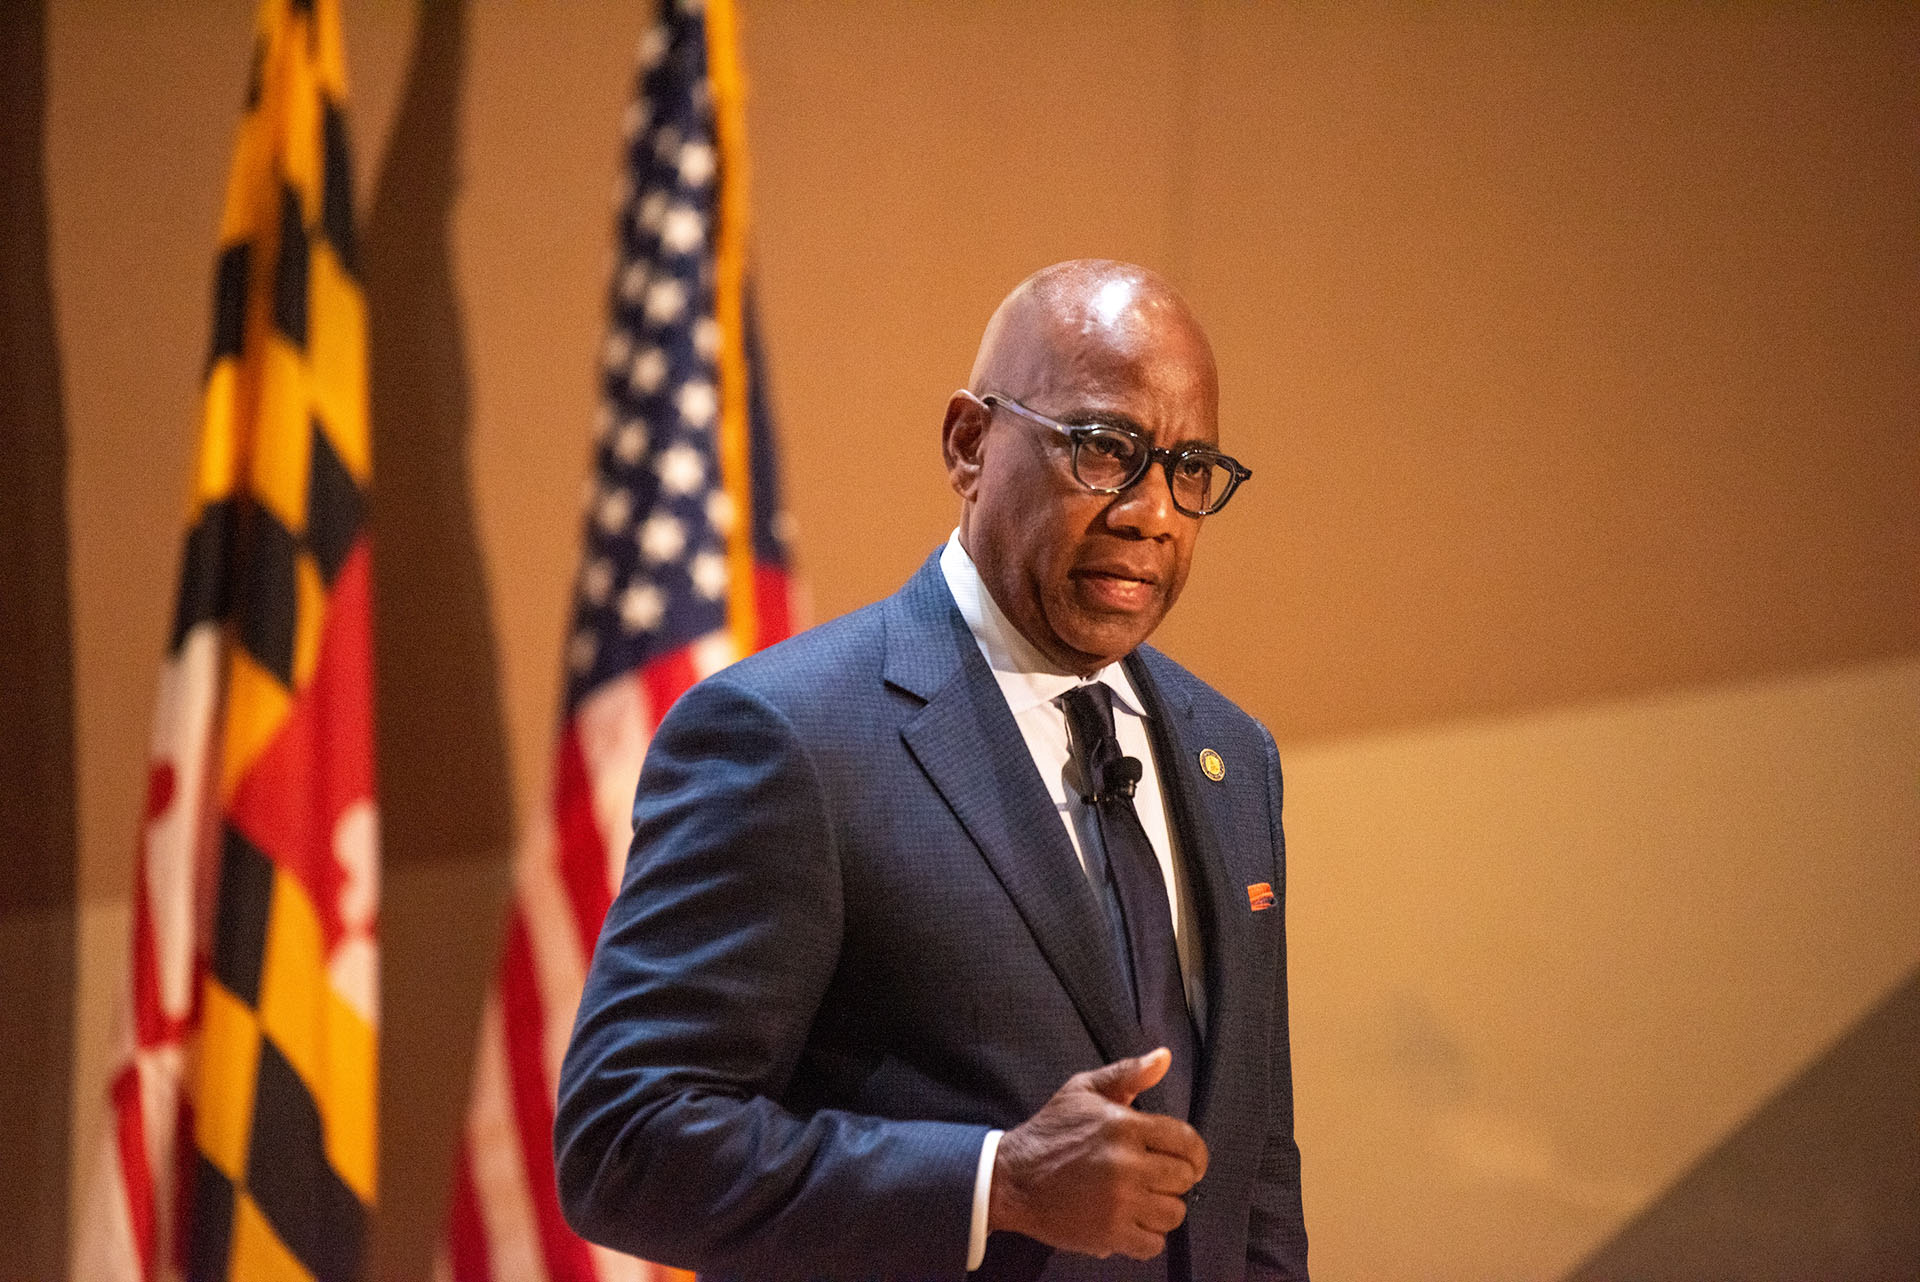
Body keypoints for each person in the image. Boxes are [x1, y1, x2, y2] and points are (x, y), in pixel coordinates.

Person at [555, 259, 1308, 1280]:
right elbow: (624, 1141)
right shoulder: (789, 738)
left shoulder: (1233, 757)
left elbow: (1256, 1171)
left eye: (1189, 469)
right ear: (969, 443)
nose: (1153, 513)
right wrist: (998, 1181)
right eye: (1103, 450)